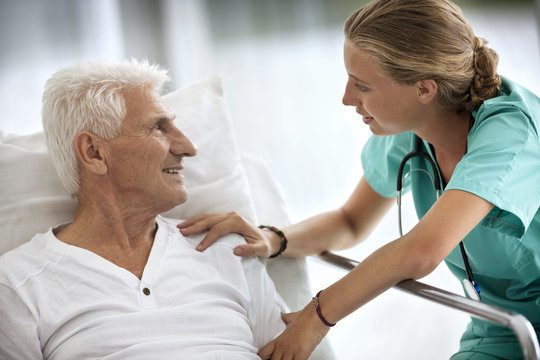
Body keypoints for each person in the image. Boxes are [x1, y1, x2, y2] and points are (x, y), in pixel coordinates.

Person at [177, 0, 540, 359]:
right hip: (501, 327)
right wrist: (274, 239)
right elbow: (351, 222)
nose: (346, 98)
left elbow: (421, 252)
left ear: (425, 89)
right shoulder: (412, 131)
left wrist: (315, 319)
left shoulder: (510, 136)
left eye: (361, 86)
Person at [0, 60, 286, 360]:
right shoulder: (17, 286)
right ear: (93, 152)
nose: (188, 147)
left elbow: (288, 352)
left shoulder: (228, 250)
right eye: (158, 127)